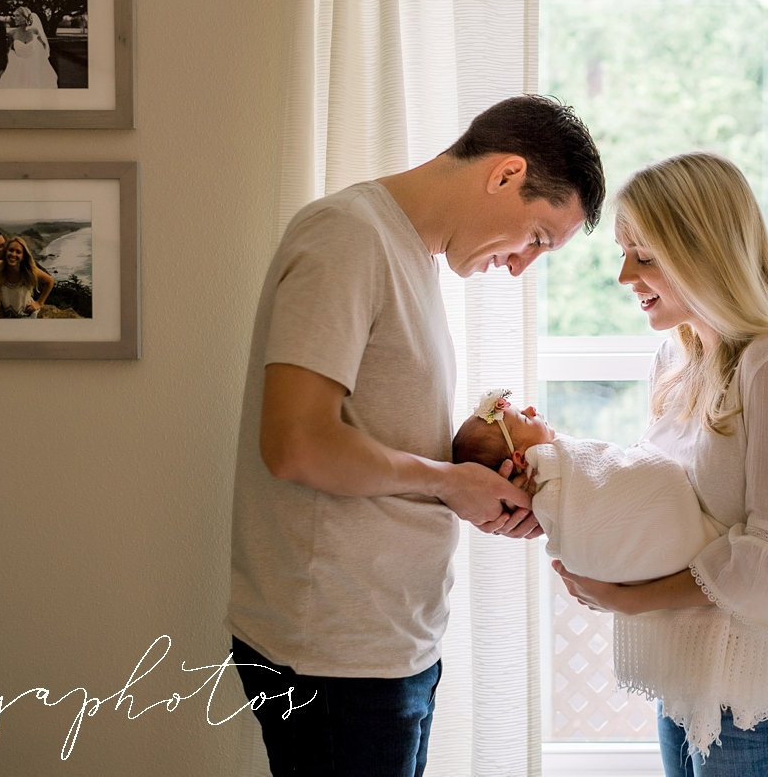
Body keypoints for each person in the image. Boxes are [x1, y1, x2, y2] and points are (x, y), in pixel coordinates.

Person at [227, 94, 604, 777]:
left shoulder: (413, 258)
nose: (522, 265)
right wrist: (445, 482)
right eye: (538, 237)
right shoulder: (348, 237)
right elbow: (295, 442)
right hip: (336, 655)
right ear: (505, 174)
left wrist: (473, 488)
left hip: (386, 644)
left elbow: (376, 436)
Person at [553, 152, 768, 775]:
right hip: (692, 674)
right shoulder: (676, 363)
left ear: (703, 251)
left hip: (767, 699)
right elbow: (664, 504)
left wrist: (632, 600)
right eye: (624, 251)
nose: (624, 274)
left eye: (645, 254)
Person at [452, 394, 721, 584]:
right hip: (670, 504)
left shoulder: (554, 466)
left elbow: (603, 470)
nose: (532, 409)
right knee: (658, 482)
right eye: (524, 418)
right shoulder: (549, 470)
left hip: (660, 548)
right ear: (521, 459)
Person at [0, 236, 55, 318]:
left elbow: (50, 281)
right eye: (11, 250)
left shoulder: (28, 270)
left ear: (23, 256)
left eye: (18, 252)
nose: (13, 254)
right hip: (5, 316)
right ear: (6, 252)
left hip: (25, 316)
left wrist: (39, 303)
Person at [0, 6, 57, 89]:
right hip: (17, 68)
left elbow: (45, 45)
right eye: (14, 16)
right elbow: (7, 51)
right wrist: (5, 67)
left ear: (25, 17)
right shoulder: (12, 33)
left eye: (18, 16)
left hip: (33, 67)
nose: (15, 18)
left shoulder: (34, 31)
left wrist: (42, 59)